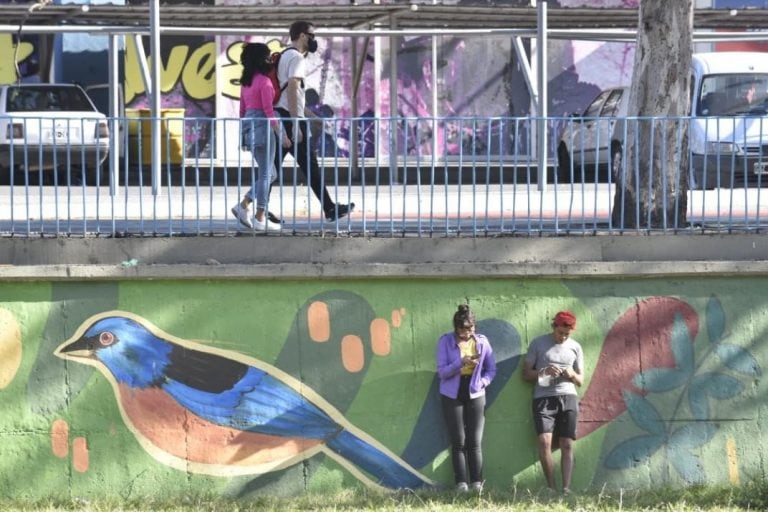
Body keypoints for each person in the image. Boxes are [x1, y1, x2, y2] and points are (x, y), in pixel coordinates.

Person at [269, 20, 355, 223]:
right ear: (301, 36)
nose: (314, 39)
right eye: (312, 35)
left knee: (272, 169)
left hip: (283, 117)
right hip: (290, 120)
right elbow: (291, 89)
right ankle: (330, 208)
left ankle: (257, 209)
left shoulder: (283, 55)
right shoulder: (297, 57)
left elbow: (292, 95)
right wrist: (296, 122)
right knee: (307, 165)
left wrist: (312, 116)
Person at [435, 304, 496, 492]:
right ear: (456, 328)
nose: (466, 333)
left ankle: (477, 483)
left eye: (470, 329)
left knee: (474, 441)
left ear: (474, 327)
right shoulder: (445, 342)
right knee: (458, 440)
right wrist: (460, 363)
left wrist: (483, 383)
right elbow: (442, 373)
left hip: (475, 392)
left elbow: (491, 369)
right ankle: (461, 483)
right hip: (452, 393)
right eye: (462, 329)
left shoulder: (482, 342)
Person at [523, 310, 585, 495]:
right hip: (543, 397)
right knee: (544, 442)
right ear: (553, 327)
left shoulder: (575, 347)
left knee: (566, 443)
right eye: (560, 333)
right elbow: (526, 374)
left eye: (567, 334)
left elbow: (581, 380)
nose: (563, 337)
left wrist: (571, 374)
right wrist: (544, 372)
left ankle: (566, 488)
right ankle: (551, 487)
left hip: (568, 397)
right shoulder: (538, 343)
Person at [231, 42, 291, 232]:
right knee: (267, 174)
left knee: (270, 173)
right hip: (264, 128)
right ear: (261, 59)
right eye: (266, 56)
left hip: (249, 128)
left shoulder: (246, 82)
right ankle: (259, 217)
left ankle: (243, 205)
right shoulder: (264, 82)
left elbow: (242, 110)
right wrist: (282, 135)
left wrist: (244, 135)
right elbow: (268, 111)